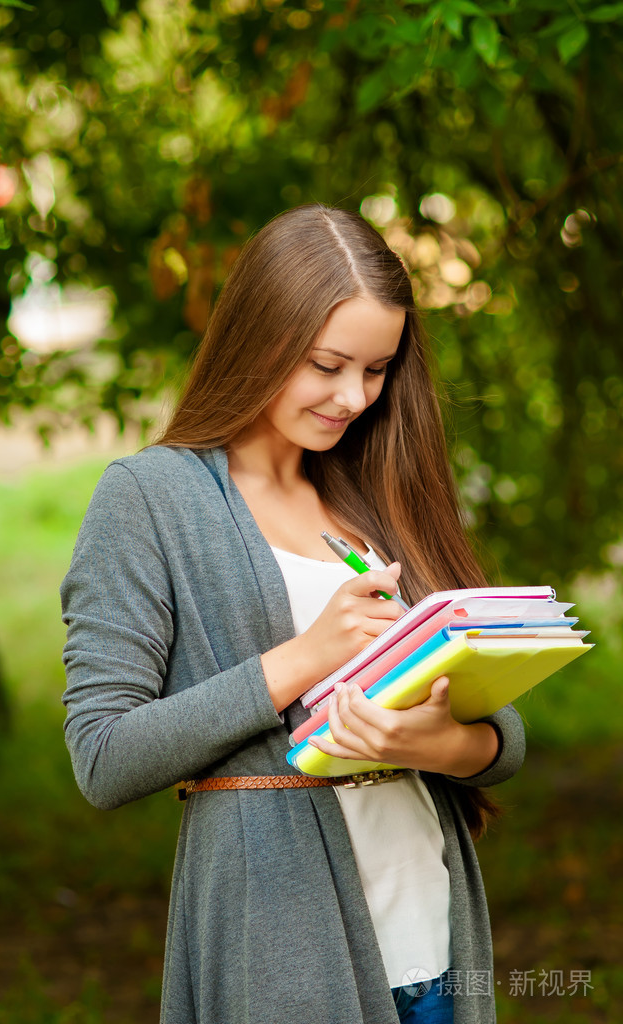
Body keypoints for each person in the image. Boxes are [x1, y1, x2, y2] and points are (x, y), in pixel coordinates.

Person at [61, 204, 525, 1024]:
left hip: (436, 936)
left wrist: (439, 742)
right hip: (281, 948)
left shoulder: (376, 491)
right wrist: (304, 659)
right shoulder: (150, 498)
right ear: (260, 337)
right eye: (327, 364)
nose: (353, 397)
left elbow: (503, 737)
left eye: (377, 370)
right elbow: (104, 757)